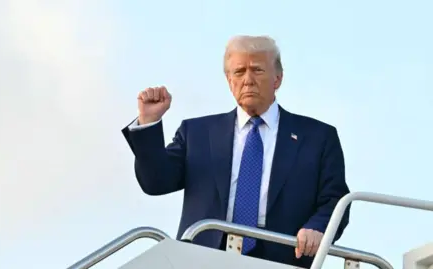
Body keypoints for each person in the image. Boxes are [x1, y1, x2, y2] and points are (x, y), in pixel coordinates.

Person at [121, 35, 350, 268]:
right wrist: (148, 122)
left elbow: (335, 200)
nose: (248, 80)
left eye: (257, 70)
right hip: (203, 257)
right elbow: (155, 182)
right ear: (229, 81)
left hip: (282, 258)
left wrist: (318, 227)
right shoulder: (197, 133)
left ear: (278, 79)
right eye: (239, 72)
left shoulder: (317, 137)